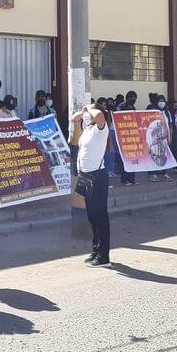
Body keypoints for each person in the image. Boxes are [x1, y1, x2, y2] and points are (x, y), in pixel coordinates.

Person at [73, 101, 112, 268]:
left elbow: (100, 116)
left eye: (90, 115)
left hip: (97, 176)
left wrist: (91, 108)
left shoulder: (100, 130)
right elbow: (74, 119)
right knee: (92, 216)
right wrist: (82, 112)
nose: (88, 117)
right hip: (86, 176)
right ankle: (96, 250)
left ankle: (104, 257)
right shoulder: (88, 129)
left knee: (100, 216)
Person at [149, 95, 173, 182]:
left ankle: (163, 172)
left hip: (164, 137)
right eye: (160, 100)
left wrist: (170, 137)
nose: (162, 102)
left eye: (163, 100)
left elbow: (170, 125)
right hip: (154, 138)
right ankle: (153, 174)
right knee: (154, 154)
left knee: (163, 154)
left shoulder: (167, 112)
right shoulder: (153, 111)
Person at [116, 91, 138, 186]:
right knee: (125, 159)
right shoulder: (121, 107)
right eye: (131, 98)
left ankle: (132, 179)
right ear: (127, 98)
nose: (133, 100)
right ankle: (125, 180)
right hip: (123, 136)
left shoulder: (133, 108)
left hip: (133, 136)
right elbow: (117, 118)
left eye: (134, 98)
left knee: (133, 159)